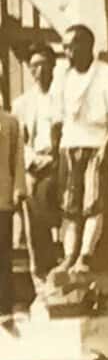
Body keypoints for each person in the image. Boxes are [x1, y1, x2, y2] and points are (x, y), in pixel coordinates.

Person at [56, 24, 108, 286]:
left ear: (86, 46)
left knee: (92, 204)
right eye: (65, 47)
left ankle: (85, 255)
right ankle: (68, 256)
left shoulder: (106, 74)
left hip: (94, 144)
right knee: (69, 207)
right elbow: (59, 117)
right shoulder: (65, 77)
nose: (67, 52)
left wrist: (106, 147)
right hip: (69, 146)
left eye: (71, 46)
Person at [14, 43, 61, 284]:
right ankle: (40, 273)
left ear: (53, 65)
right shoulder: (22, 103)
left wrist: (55, 158)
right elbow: (18, 140)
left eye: (44, 65)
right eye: (34, 66)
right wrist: (32, 160)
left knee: (66, 213)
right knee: (33, 214)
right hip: (34, 163)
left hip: (59, 162)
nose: (39, 71)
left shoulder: (63, 96)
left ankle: (64, 267)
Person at [0, 101, 25, 318]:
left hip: (2, 196)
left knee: (3, 253)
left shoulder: (10, 123)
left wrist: (18, 188)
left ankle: (4, 306)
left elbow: (18, 159)